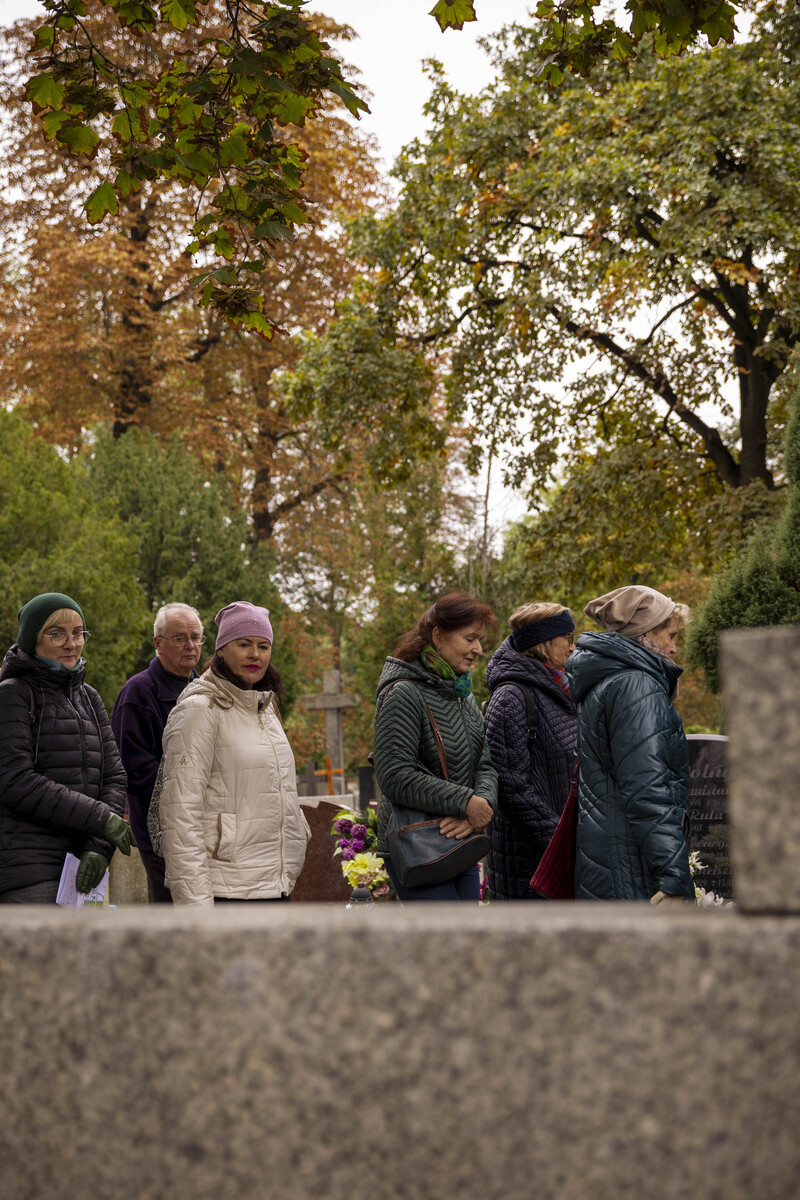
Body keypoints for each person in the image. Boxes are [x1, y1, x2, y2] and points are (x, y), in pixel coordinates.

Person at [159, 601, 310, 906]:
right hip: (227, 890)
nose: (255, 654)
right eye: (244, 644)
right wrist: (195, 907)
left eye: (263, 646)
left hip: (275, 883)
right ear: (221, 650)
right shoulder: (200, 709)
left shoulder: (265, 708)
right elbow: (180, 813)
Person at [0, 591, 135, 904]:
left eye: (78, 633)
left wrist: (99, 847)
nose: (71, 644)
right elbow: (15, 781)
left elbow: (114, 777)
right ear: (33, 639)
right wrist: (102, 820)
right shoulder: (12, 694)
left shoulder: (89, 697)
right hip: (30, 872)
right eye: (57, 634)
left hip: (81, 870)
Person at [567, 585, 694, 904]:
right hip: (635, 867)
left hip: (612, 857)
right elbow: (648, 787)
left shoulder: (611, 680)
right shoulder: (636, 686)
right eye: (671, 636)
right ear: (646, 634)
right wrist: (673, 874)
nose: (674, 648)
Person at [372, 591, 499, 902]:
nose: (478, 649)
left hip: (459, 839)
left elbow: (484, 764)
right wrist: (465, 802)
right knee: (446, 935)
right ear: (439, 636)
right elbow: (394, 776)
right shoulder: (404, 693)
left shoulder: (463, 697)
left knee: (466, 933)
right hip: (416, 845)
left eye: (480, 640)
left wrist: (480, 805)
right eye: (470, 639)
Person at [484, 602, 578, 899]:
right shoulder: (511, 696)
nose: (573, 647)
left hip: (563, 856)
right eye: (568, 638)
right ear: (544, 642)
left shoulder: (565, 688)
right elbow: (510, 787)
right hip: (529, 865)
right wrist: (559, 839)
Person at [111, 602, 204, 902]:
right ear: (158, 643)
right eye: (180, 638)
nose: (190, 645)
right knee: (173, 914)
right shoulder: (138, 693)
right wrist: (190, 791)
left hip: (205, 829)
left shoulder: (206, 689)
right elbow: (132, 767)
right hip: (162, 835)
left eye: (196, 637)